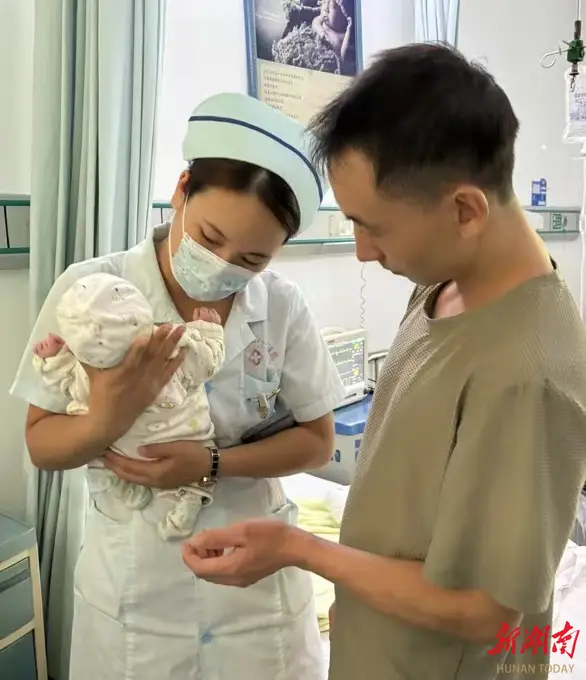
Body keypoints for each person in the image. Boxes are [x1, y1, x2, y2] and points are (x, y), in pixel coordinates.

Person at [182, 45, 586, 680]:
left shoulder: (527, 373)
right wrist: (356, 590)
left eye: (373, 227)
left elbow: (486, 612)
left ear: (464, 211)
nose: (364, 252)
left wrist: (298, 548)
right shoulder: (443, 284)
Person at [11, 92, 346, 680]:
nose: (223, 266)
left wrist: (210, 463)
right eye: (211, 237)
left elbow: (317, 442)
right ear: (182, 188)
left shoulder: (284, 307)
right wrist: (108, 417)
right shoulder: (93, 288)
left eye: (251, 258)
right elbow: (41, 444)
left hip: (256, 601)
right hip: (137, 593)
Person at [31, 271, 226, 540]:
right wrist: (209, 330)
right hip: (185, 436)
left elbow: (65, 380)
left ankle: (126, 485)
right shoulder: (175, 346)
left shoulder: (88, 375)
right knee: (195, 466)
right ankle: (190, 499)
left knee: (104, 457)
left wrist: (54, 358)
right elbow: (209, 360)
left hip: (129, 451)